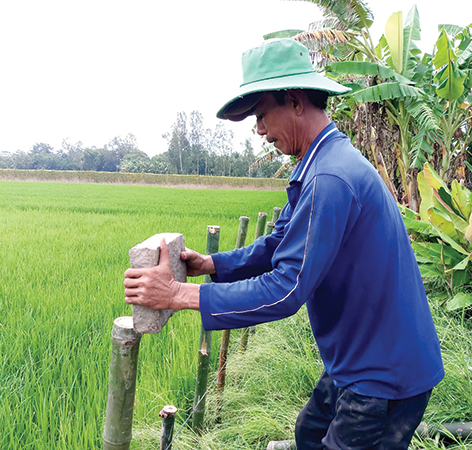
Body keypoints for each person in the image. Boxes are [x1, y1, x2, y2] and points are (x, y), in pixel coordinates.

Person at [124, 38, 444, 449]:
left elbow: (287, 289)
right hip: (358, 357)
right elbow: (279, 245)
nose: (258, 130)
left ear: (295, 102)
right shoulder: (320, 164)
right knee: (309, 433)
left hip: (384, 373)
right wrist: (211, 264)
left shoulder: (329, 177)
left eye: (260, 115)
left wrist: (178, 295)